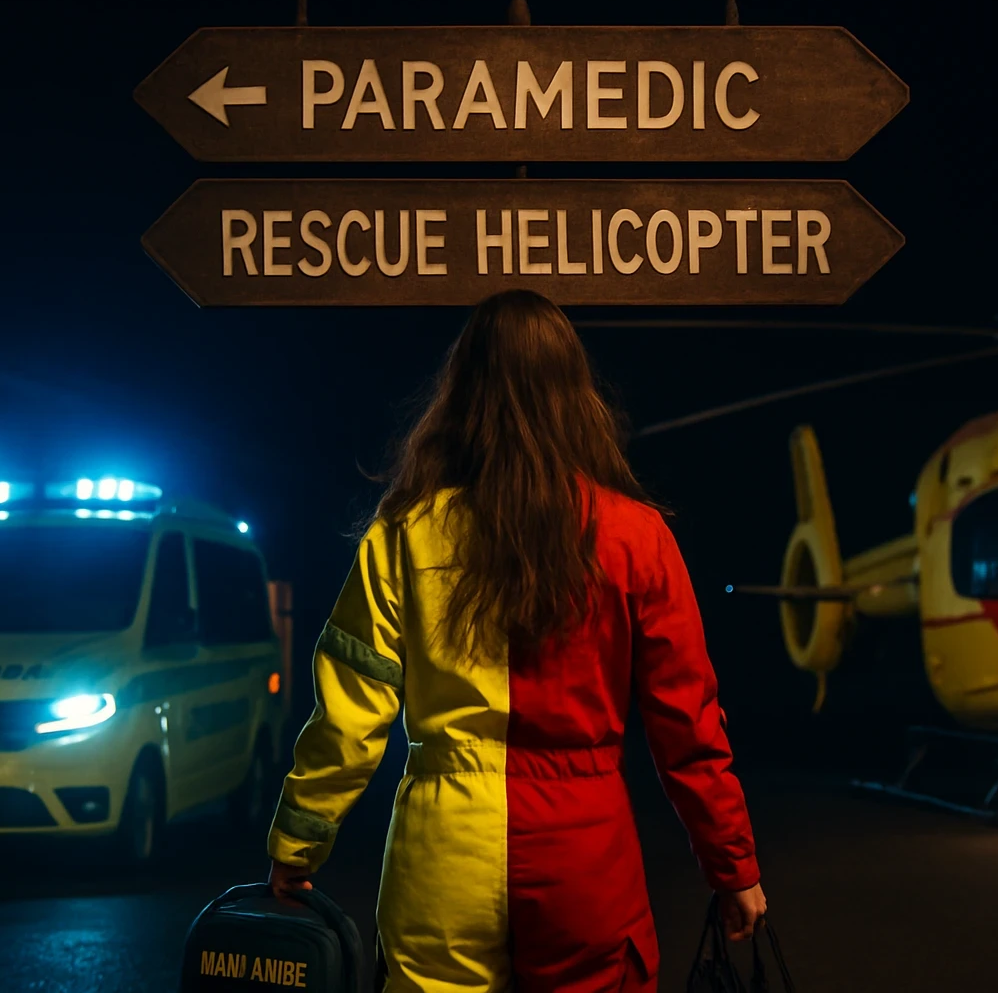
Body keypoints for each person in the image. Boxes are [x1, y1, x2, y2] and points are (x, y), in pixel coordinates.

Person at [266, 289, 766, 992]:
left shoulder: (404, 531)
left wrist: (297, 844)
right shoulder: (637, 535)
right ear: (575, 394)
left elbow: (348, 714)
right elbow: (687, 723)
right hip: (585, 854)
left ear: (462, 393)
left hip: (441, 852)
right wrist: (733, 866)